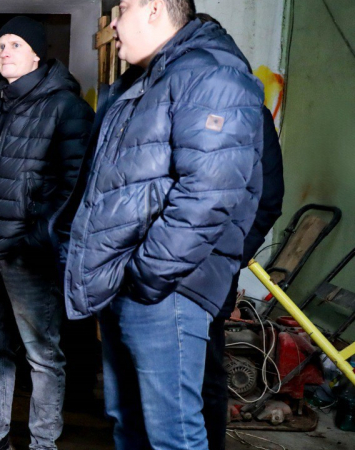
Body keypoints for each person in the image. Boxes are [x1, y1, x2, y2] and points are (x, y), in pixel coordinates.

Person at [64, 0, 264, 449]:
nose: (113, 24)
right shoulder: (149, 80)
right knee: (129, 424)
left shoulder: (210, 75)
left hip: (166, 291)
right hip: (129, 284)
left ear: (155, 8)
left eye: (123, 9)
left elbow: (208, 195)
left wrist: (147, 275)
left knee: (171, 435)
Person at [0, 16, 94, 450]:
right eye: (1, 45)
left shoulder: (65, 107)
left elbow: (75, 186)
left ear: (37, 54)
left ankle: (42, 443)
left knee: (42, 353)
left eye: (15, 44)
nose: (5, 52)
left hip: (28, 254)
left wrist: (38, 240)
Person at [194, 13, 285, 450]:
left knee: (206, 373)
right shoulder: (172, 108)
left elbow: (269, 199)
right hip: (164, 270)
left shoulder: (251, 114)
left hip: (212, 271)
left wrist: (230, 254)